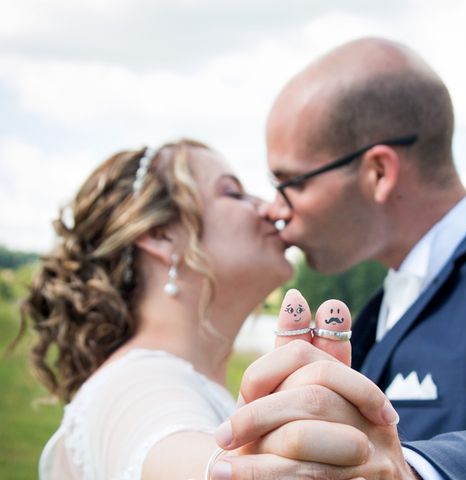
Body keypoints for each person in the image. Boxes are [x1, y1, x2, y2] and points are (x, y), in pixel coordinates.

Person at [212, 37, 466, 479]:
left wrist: (408, 472)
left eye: (293, 182)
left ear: (378, 173)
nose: (276, 208)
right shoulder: (380, 307)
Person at [18, 139, 299, 479]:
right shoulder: (135, 385)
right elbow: (167, 447)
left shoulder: (161, 378)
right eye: (233, 193)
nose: (273, 209)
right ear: (162, 235)